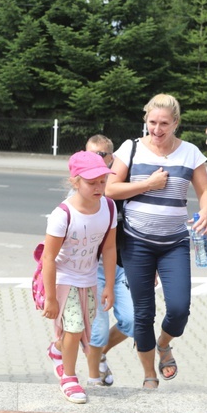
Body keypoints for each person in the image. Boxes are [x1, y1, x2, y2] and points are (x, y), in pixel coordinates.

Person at [105, 93, 207, 389]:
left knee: (179, 308)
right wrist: (148, 184)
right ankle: (148, 374)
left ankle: (165, 344)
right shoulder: (131, 148)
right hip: (137, 242)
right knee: (143, 313)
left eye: (164, 123)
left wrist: (205, 213)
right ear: (146, 120)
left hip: (174, 243)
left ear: (176, 122)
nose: (157, 129)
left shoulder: (190, 152)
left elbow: (205, 192)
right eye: (152, 122)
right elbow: (110, 189)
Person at [41, 151, 117, 404]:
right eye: (91, 182)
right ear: (75, 181)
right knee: (74, 329)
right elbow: (48, 258)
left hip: (90, 280)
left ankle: (56, 350)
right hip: (63, 279)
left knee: (80, 330)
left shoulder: (109, 206)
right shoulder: (62, 214)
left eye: (102, 181)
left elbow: (108, 248)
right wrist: (50, 298)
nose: (99, 187)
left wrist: (109, 285)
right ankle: (69, 378)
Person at [81, 135, 134, 388]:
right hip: (91, 270)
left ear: (112, 158)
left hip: (122, 266)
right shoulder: (81, 188)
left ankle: (100, 353)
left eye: (102, 155)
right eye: (91, 155)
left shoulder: (121, 188)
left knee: (133, 321)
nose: (96, 160)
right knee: (98, 330)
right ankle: (93, 379)